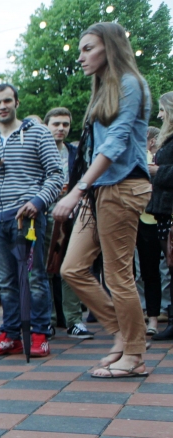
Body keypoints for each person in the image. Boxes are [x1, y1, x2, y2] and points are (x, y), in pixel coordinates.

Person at [54, 23, 153, 377]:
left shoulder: (131, 84)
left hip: (124, 187)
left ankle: (135, 355)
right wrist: (84, 190)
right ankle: (122, 337)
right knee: (72, 268)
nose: (80, 57)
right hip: (100, 191)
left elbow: (116, 143)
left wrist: (78, 189)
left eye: (87, 48)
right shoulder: (103, 89)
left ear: (108, 48)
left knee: (118, 275)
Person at [0, 84, 65, 357]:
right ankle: (10, 334)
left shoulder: (38, 132)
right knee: (4, 282)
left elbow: (56, 175)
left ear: (17, 102)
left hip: (26, 217)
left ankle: (40, 333)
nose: (1, 106)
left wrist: (37, 202)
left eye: (6, 101)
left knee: (34, 277)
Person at [42, 107, 93, 338]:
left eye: (65, 124)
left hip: (75, 215)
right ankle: (49, 320)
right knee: (46, 269)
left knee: (71, 267)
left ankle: (74, 320)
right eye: (56, 124)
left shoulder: (76, 152)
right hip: (45, 216)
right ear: (47, 126)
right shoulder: (38, 151)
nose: (61, 128)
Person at [148, 92, 173, 340]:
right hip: (164, 210)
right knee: (170, 264)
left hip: (170, 210)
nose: (159, 115)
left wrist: (157, 171)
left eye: (162, 110)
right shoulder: (167, 139)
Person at [139, 125, 164, 337]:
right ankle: (148, 317)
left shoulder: (159, 156)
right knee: (144, 272)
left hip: (156, 217)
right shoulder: (134, 155)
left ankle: (155, 317)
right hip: (136, 218)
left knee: (154, 271)